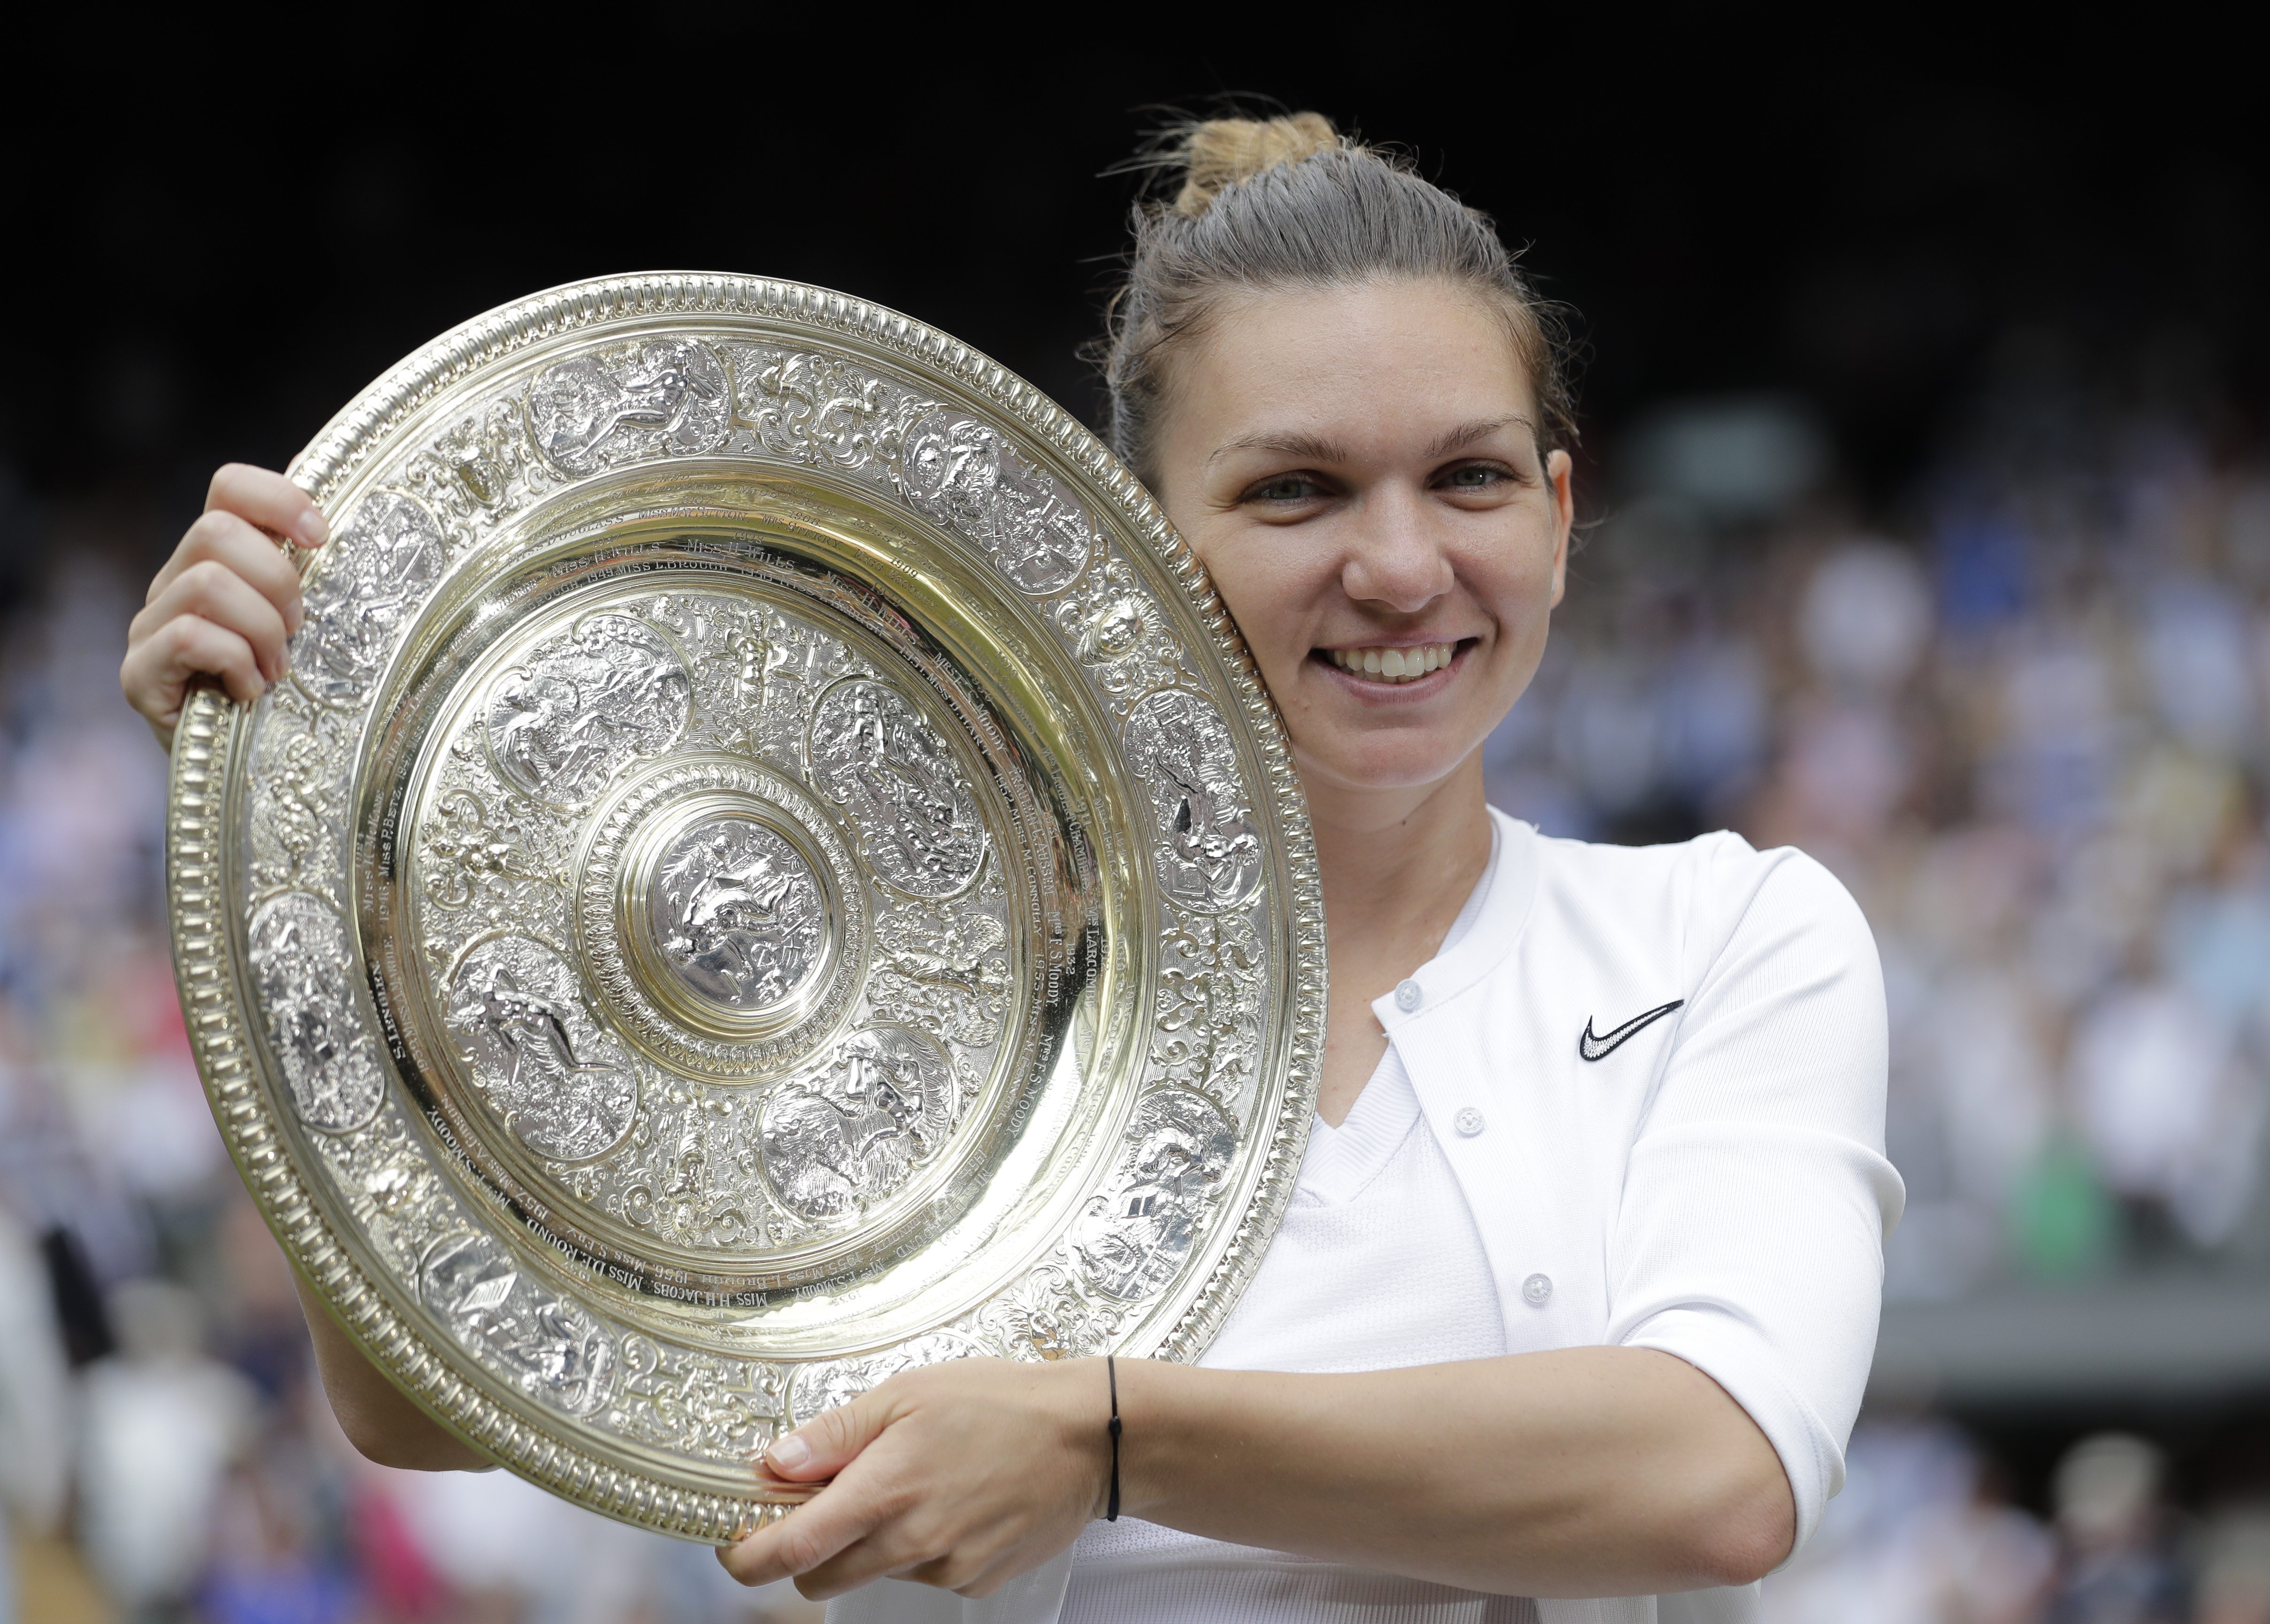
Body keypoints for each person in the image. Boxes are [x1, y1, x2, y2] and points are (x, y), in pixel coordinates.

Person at [122, 113, 1901, 1624]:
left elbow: (1720, 1470)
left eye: (1470, 478)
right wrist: (261, 817)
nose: (1399, 564)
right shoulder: (881, 1004)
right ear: (1129, 543)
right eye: (1294, 492)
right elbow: (434, 1400)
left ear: (1563, 516)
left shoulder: (1726, 938)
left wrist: (1104, 1438)